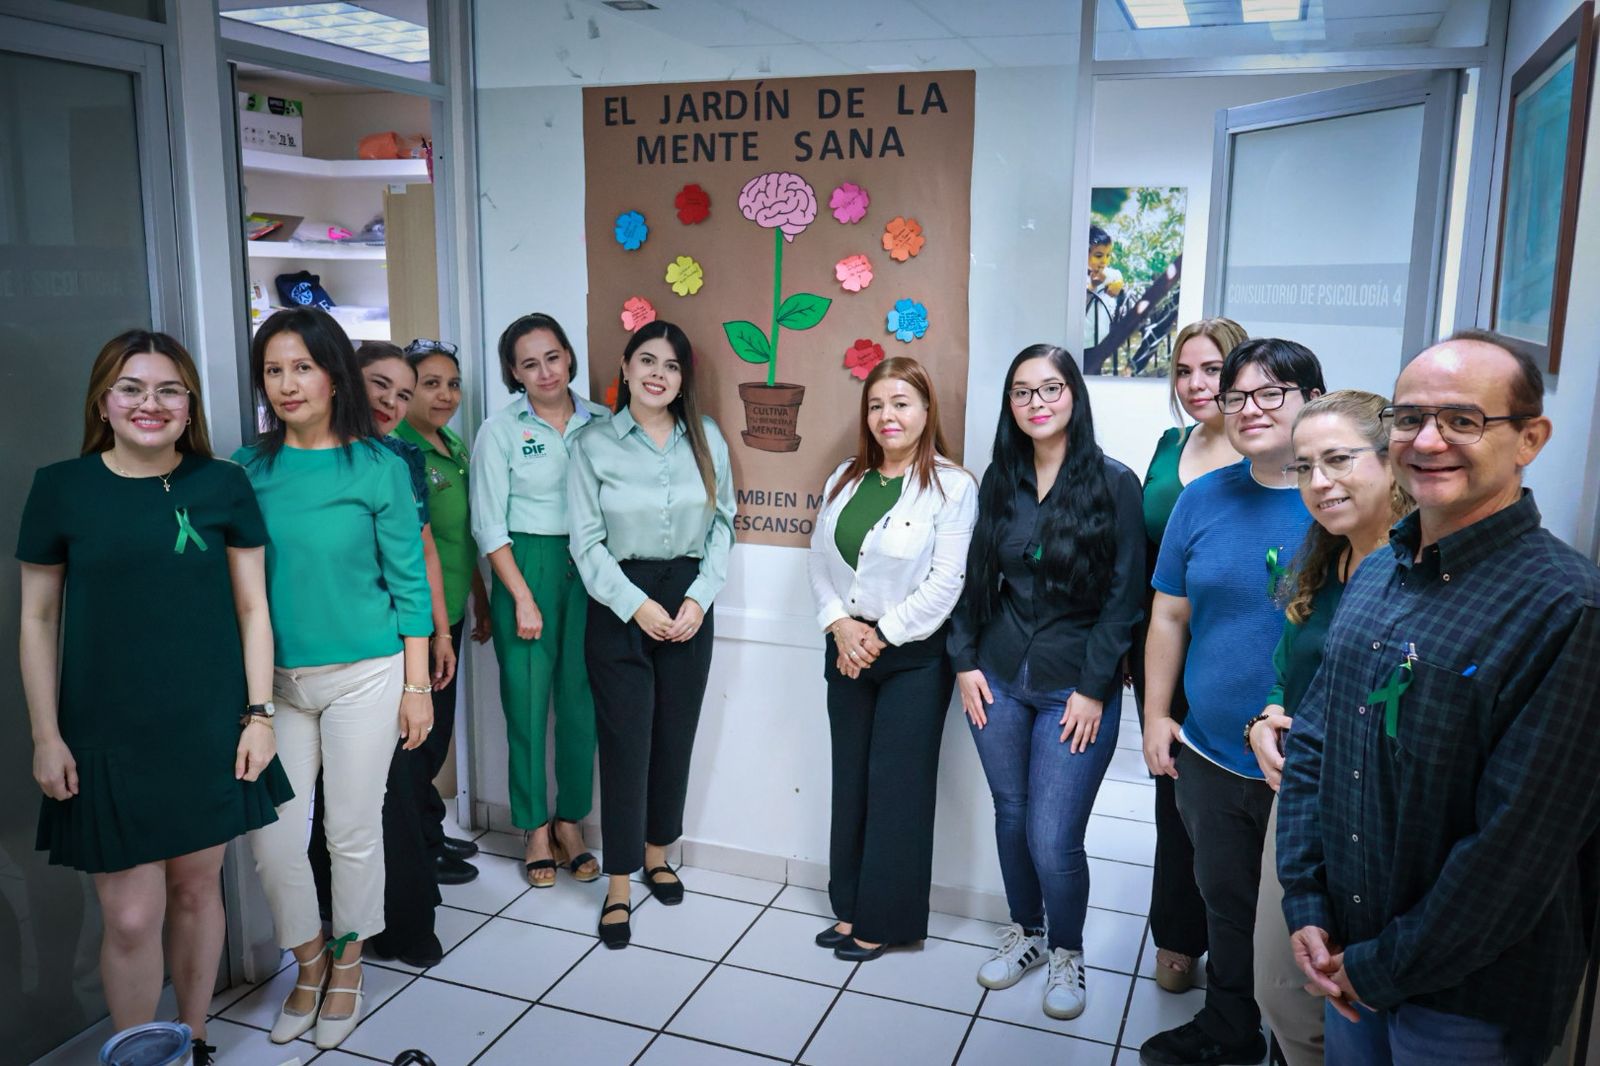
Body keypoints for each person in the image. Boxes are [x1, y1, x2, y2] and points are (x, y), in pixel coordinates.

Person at [1277, 330, 1600, 1066]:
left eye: (1462, 420)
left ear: (1529, 439)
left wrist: (1379, 969)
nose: (1428, 440)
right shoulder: (1378, 572)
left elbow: (1514, 853)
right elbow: (1316, 750)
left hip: (1465, 1007)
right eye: (1409, 417)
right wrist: (1305, 902)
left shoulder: (1565, 610)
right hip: (1347, 960)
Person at [17, 330, 290, 1066]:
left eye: (169, 389)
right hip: (105, 733)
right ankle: (137, 1055)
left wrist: (258, 716)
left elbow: (252, 610)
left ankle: (192, 1041)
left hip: (206, 726)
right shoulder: (62, 488)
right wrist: (47, 734)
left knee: (200, 893)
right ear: (103, 402)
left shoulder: (221, 484)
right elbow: (38, 618)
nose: (151, 403)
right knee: (132, 916)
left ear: (189, 404)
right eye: (131, 388)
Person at [235, 308, 433, 1050]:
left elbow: (410, 588)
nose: (288, 384)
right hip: (276, 685)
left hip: (366, 675)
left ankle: (348, 964)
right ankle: (308, 961)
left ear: (333, 375)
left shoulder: (377, 465)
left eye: (302, 368)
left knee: (351, 831)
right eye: (274, 370)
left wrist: (417, 690)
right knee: (276, 840)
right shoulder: (246, 468)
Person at [1139, 338, 1323, 1066]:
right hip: (1211, 749)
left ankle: (1294, 1041)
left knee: (1295, 919)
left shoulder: (1340, 498)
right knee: (1223, 899)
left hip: (1303, 762)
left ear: (1311, 398)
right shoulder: (1202, 499)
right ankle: (1229, 1026)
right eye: (1237, 395)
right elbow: (1168, 616)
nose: (1250, 409)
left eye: (1271, 393)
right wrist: (1158, 716)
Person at [949, 345, 1141, 1017]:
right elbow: (971, 581)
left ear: (1073, 398)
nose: (1037, 403)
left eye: (1050, 389)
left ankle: (1068, 951)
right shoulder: (998, 481)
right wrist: (965, 661)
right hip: (998, 675)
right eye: (1023, 392)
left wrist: (1093, 689)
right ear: (1011, 405)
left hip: (1075, 684)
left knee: (1052, 835)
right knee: (1011, 815)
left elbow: (1125, 599)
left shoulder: (1115, 484)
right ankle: (1025, 933)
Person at [1244, 391, 1411, 1066]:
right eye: (1304, 466)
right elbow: (1289, 666)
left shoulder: (1418, 570)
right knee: (1283, 989)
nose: (1319, 482)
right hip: (1305, 795)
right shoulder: (1323, 553)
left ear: (1393, 458)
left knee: (1345, 999)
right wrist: (1264, 719)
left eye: (1338, 460)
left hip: (1382, 811)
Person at [568, 319, 735, 948]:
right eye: (646, 360)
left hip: (689, 599)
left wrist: (698, 597)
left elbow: (724, 523)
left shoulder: (706, 438)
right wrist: (636, 606)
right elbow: (585, 543)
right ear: (626, 366)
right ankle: (618, 880)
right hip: (617, 604)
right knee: (625, 741)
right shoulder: (593, 444)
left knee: (673, 735)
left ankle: (659, 851)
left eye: (670, 364)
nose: (657, 374)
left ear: (682, 377)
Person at [807, 356, 976, 963]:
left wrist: (877, 636)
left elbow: (945, 582)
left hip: (911, 657)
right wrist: (839, 625)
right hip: (845, 649)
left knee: (897, 788)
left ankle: (885, 919)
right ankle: (850, 907)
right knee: (849, 780)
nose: (888, 416)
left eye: (901, 402)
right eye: (877, 404)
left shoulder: (953, 487)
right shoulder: (843, 478)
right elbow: (818, 561)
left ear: (927, 411)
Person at [471, 313, 610, 889]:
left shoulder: (602, 423)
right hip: (525, 567)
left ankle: (570, 822)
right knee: (526, 705)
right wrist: (522, 597)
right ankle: (531, 828)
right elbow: (487, 523)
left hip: (592, 567)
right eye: (529, 363)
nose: (544, 371)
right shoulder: (500, 431)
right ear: (513, 372)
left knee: (581, 704)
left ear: (569, 357)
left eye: (552, 357)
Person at [1132, 317, 1247, 995]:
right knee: (1174, 803)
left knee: (1238, 810)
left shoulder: (1267, 450)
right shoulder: (1168, 447)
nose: (1196, 384)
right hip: (1166, 650)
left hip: (1241, 656)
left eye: (1212, 370)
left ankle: (1243, 955)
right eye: (1184, 371)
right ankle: (1179, 935)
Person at [397, 338, 492, 880]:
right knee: (419, 743)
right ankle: (418, 849)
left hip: (451, 612)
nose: (446, 394)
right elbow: (420, 548)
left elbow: (459, 537)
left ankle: (430, 829)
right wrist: (437, 629)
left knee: (437, 736)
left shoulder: (450, 444)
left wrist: (477, 594)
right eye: (430, 384)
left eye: (452, 384)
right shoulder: (403, 451)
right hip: (425, 623)